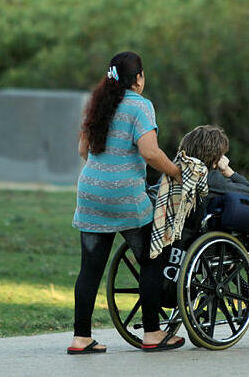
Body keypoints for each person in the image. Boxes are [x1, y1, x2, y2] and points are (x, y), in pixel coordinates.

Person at [68, 52, 184, 354]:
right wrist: (175, 172)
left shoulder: (97, 104)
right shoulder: (140, 106)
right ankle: (152, 333)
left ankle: (81, 338)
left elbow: (83, 150)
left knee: (90, 269)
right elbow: (149, 152)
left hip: (91, 193)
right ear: (139, 78)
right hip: (125, 198)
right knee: (151, 259)